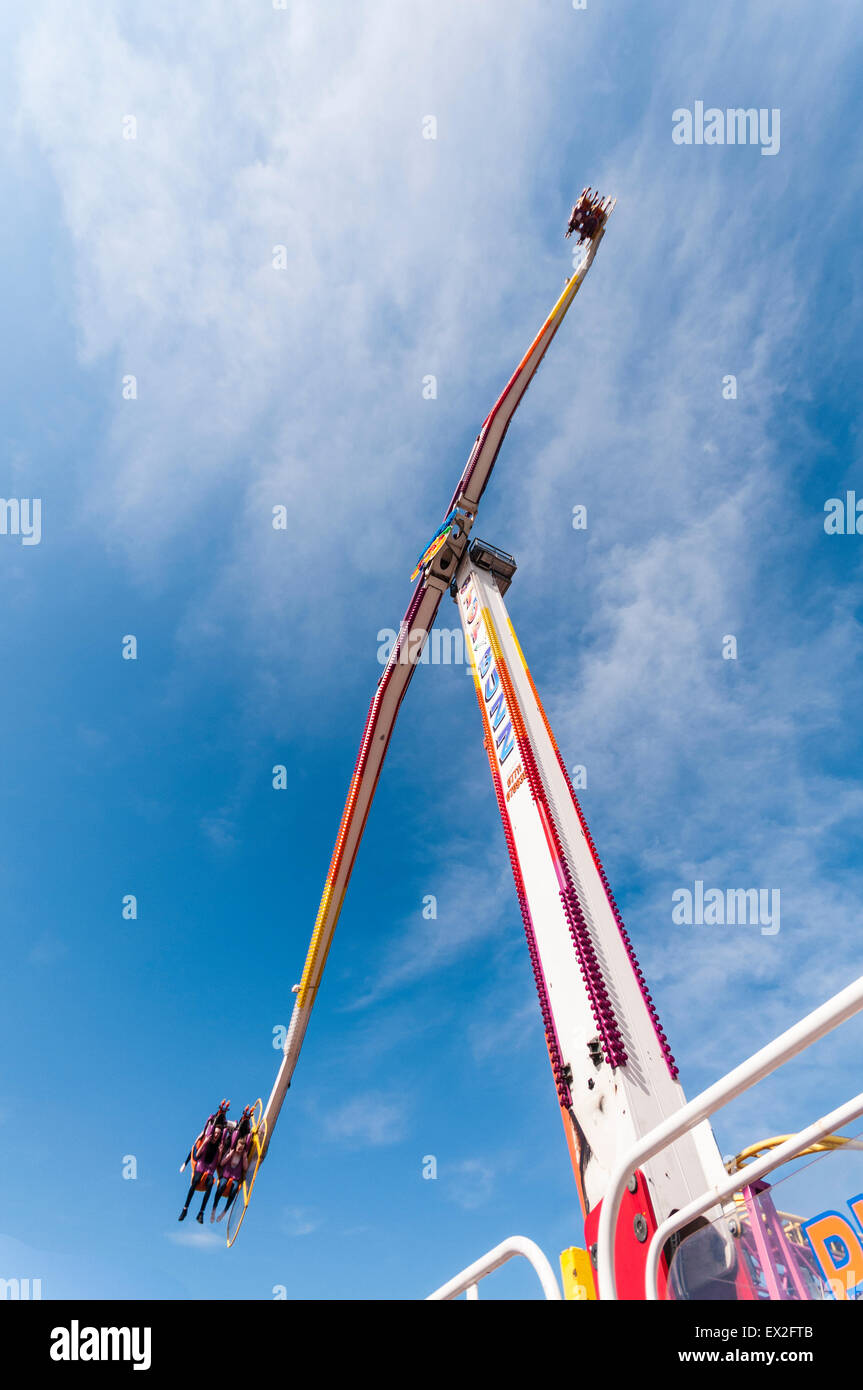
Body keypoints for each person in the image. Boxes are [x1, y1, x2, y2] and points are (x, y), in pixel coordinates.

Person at [178, 1118, 228, 1223]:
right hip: (201, 1165)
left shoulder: (219, 1145)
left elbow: (218, 1163)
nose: (216, 1135)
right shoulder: (206, 1139)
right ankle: (185, 1209)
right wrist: (205, 1142)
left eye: (219, 1134)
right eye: (215, 1133)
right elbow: (196, 1154)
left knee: (210, 1184)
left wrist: (220, 1152)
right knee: (195, 1181)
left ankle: (201, 1212)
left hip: (209, 1170)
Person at [211, 1130, 251, 1224]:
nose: (239, 1150)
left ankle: (224, 1211)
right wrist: (229, 1155)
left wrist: (244, 1157)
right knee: (222, 1184)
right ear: (236, 1145)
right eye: (238, 1148)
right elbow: (221, 1163)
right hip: (226, 1175)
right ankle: (214, 1208)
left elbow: (245, 1168)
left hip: (235, 1177)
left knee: (235, 1188)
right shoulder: (231, 1151)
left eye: (241, 1149)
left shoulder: (242, 1155)